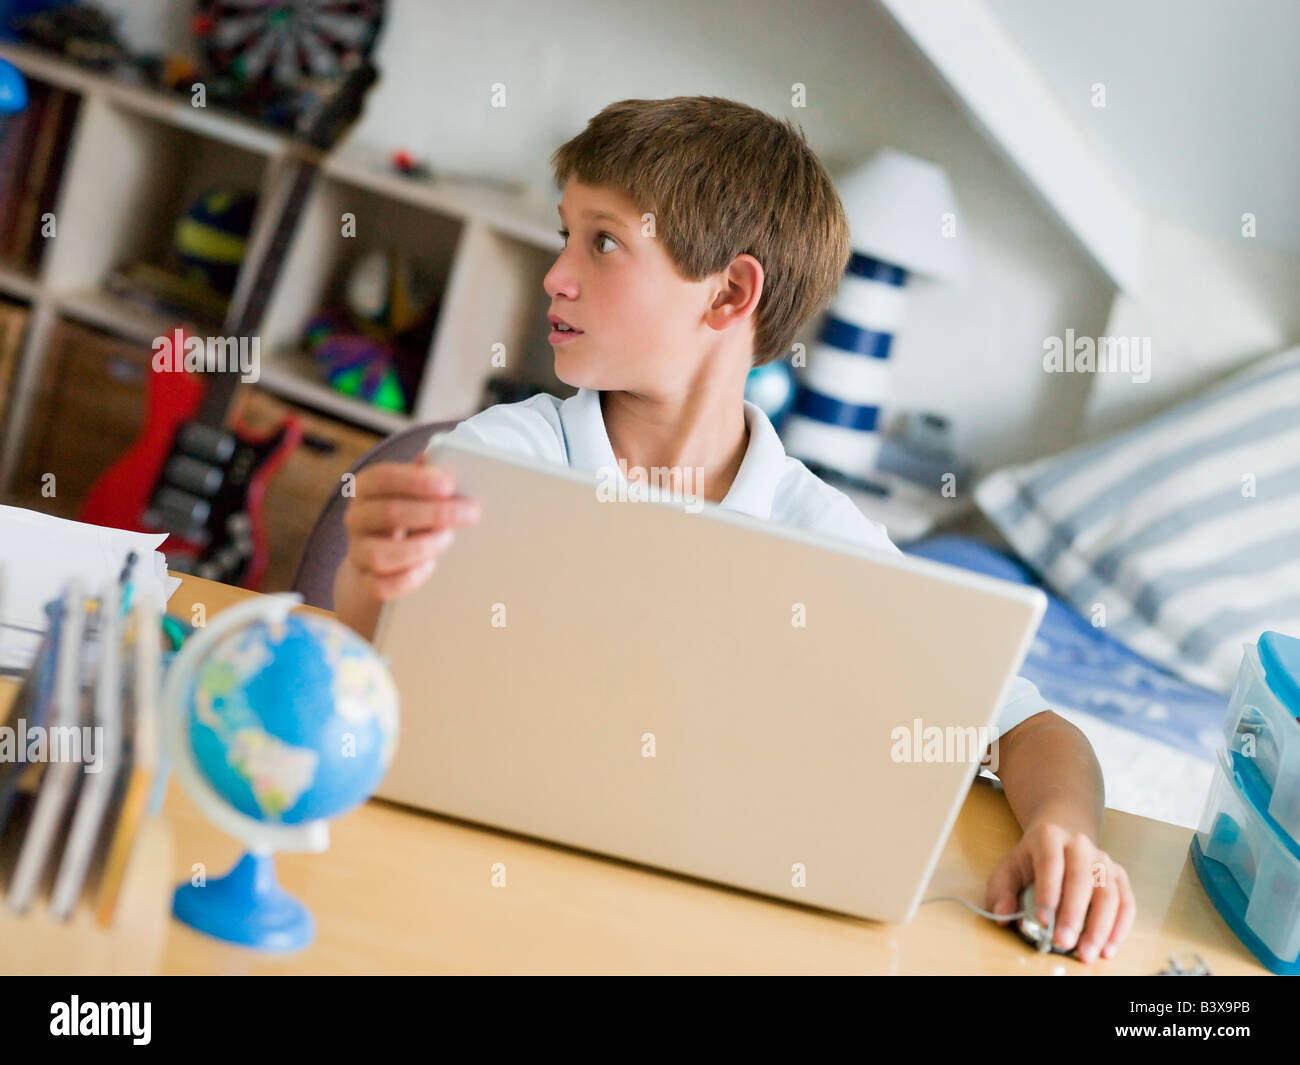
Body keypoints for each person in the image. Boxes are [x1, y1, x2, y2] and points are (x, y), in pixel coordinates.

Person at [331, 96, 1134, 963]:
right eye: (566, 234)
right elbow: (372, 663)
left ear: (730, 294)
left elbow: (1033, 727)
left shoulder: (822, 534)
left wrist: (1063, 831)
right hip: (460, 884)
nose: (556, 275)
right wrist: (367, 579)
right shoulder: (503, 456)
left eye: (601, 242)